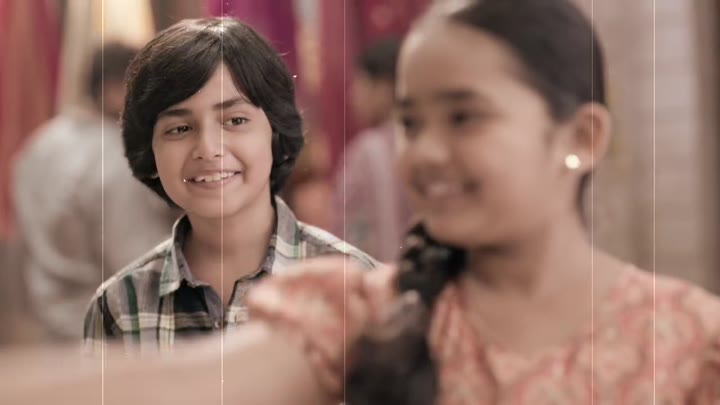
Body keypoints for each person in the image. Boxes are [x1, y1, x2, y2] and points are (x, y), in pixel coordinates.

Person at [83, 18, 377, 350]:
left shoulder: (356, 287)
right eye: (179, 129)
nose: (209, 149)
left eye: (235, 120)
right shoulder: (119, 307)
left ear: (275, 132)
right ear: (150, 150)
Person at [13, 42, 178, 340]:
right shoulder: (117, 161)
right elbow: (139, 266)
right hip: (103, 331)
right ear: (115, 90)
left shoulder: (41, 143)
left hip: (46, 325)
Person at [334, 38, 412, 262]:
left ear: (385, 88)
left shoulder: (367, 150)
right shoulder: (423, 141)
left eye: (360, 85)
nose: (353, 97)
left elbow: (350, 232)